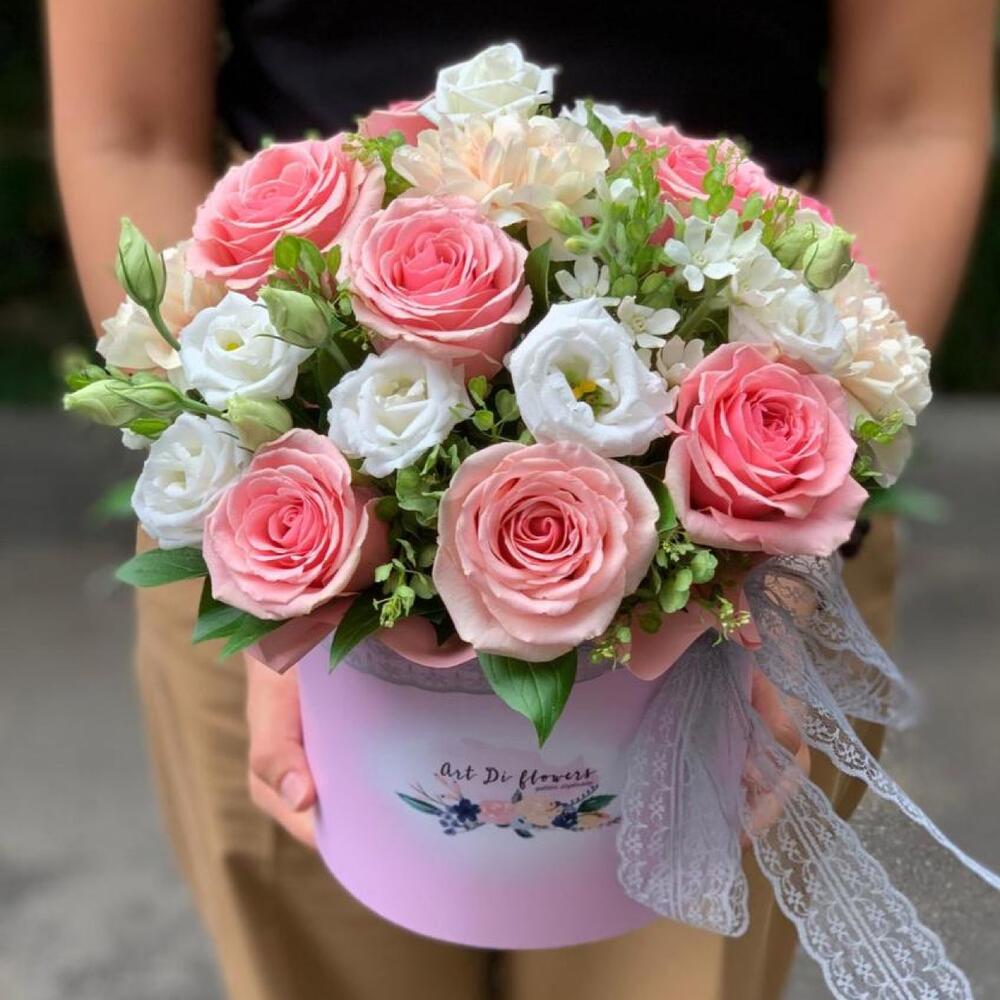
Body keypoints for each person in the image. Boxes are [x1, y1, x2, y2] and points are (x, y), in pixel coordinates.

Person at [46, 2, 994, 998]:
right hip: (278, 439)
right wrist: (269, 564)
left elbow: (912, 119)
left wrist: (782, 534)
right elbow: (130, 131)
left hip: (751, 430)